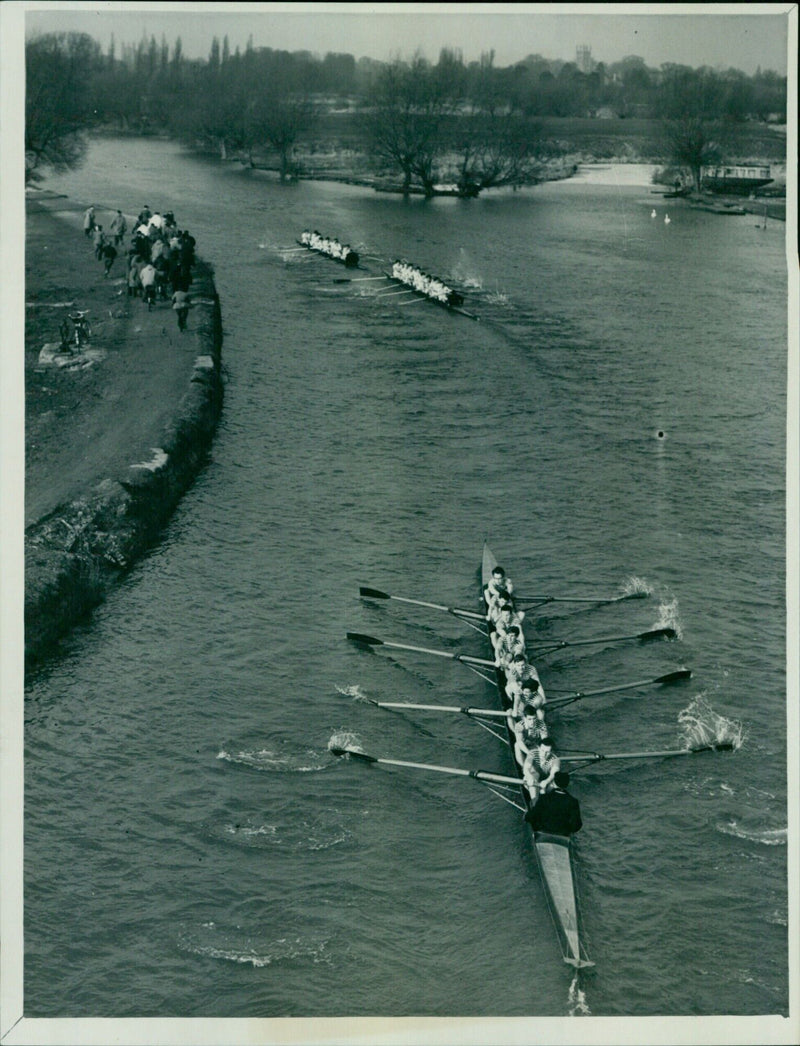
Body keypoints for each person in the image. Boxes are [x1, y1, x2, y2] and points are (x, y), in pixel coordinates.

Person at [524, 771, 582, 836]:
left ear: (554, 784)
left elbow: (531, 817)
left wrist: (526, 816)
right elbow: (577, 825)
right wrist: (568, 830)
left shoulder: (545, 798)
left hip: (543, 831)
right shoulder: (573, 801)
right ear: (567, 785)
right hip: (563, 834)